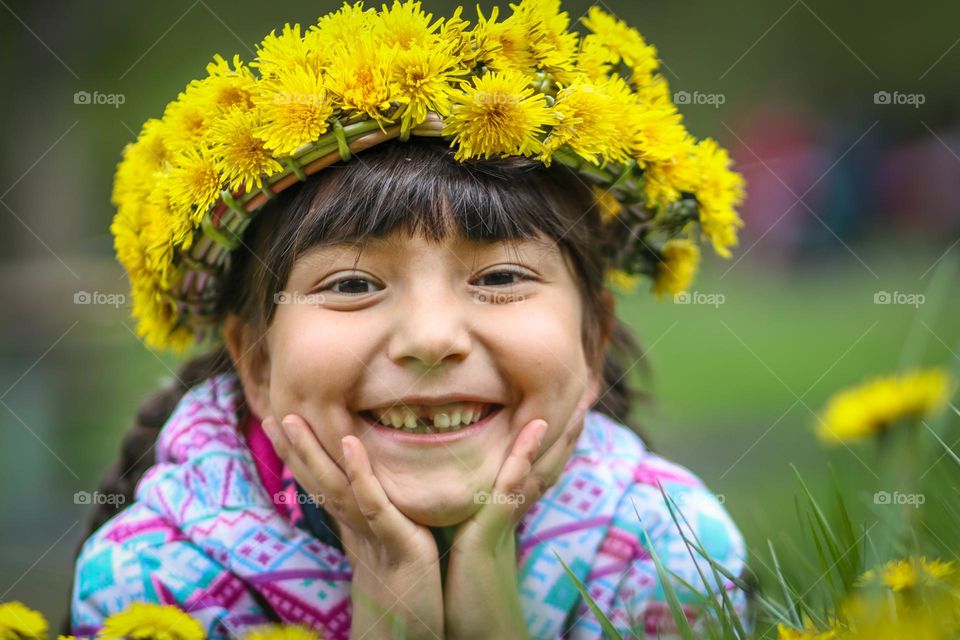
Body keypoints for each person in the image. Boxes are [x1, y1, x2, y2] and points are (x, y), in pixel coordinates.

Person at [68, 1, 755, 638]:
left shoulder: (667, 557)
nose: (430, 339)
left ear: (593, 335)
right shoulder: (149, 595)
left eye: (502, 277)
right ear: (255, 361)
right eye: (352, 283)